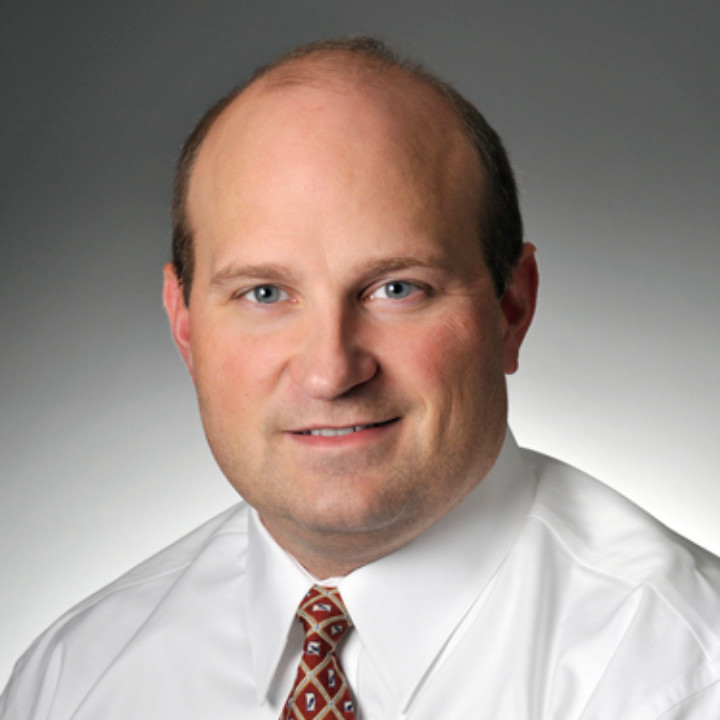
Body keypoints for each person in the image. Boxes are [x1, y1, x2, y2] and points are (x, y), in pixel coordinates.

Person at [2, 36, 719, 719]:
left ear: (512, 307)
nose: (331, 371)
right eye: (264, 294)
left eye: (397, 289)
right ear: (185, 325)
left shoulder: (683, 676)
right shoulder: (73, 681)